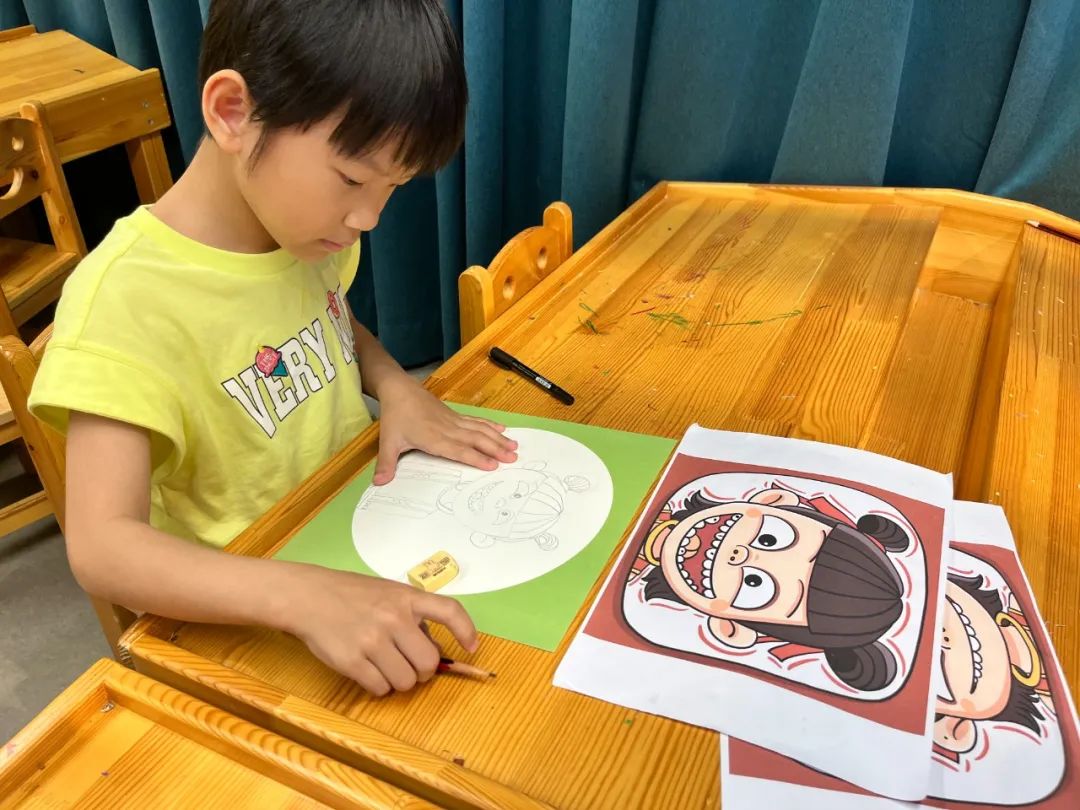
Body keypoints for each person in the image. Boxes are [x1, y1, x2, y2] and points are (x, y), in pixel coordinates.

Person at [28, 0, 517, 697]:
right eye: (352, 179)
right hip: (244, 617)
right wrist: (301, 596)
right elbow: (103, 547)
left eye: (393, 189)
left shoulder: (302, 233)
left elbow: (329, 319)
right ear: (233, 112)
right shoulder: (124, 304)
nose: (368, 218)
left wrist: (394, 386)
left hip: (350, 535)